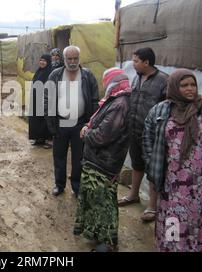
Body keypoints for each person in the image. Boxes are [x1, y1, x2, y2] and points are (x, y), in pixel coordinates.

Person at [143, 69, 202, 252]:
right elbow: (147, 137)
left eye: (193, 85)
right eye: (184, 85)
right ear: (174, 87)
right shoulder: (161, 110)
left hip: (199, 183)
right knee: (173, 220)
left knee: (195, 220)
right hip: (170, 182)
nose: (190, 89)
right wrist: (151, 163)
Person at [74, 67, 131, 252]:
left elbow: (102, 136)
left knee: (104, 203)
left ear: (112, 82)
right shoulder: (114, 100)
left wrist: (86, 133)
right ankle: (99, 236)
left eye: (107, 81)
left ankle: (109, 244)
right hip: (98, 160)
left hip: (104, 163)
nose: (105, 84)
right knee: (96, 200)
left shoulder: (120, 104)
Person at [118, 47, 168, 223]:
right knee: (137, 163)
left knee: (153, 170)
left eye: (136, 61)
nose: (133, 64)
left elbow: (168, 109)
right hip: (134, 129)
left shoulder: (163, 81)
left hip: (152, 135)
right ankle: (133, 195)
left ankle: (152, 207)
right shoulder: (137, 77)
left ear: (147, 62)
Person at [45, 45, 99, 197]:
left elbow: (95, 100)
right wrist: (51, 125)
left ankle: (77, 186)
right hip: (61, 122)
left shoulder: (87, 75)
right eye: (70, 58)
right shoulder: (55, 75)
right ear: (64, 59)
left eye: (75, 58)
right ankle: (59, 185)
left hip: (80, 123)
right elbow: (47, 99)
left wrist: (91, 123)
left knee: (79, 157)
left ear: (79, 58)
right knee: (59, 155)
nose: (73, 61)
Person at [29, 54, 53, 148]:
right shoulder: (39, 71)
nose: (42, 62)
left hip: (45, 99)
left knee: (45, 120)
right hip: (36, 99)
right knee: (36, 119)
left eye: (44, 61)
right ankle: (39, 138)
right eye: (41, 60)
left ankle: (49, 140)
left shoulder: (50, 72)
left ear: (48, 62)